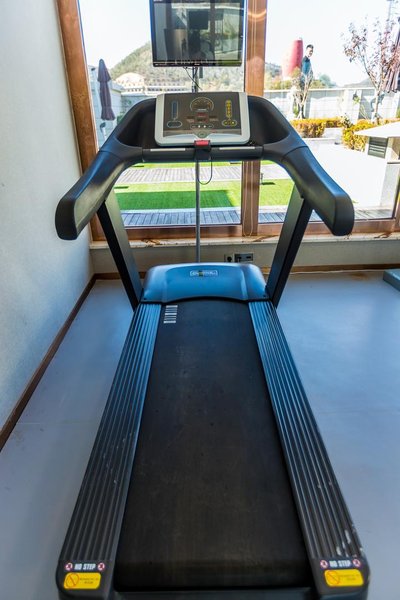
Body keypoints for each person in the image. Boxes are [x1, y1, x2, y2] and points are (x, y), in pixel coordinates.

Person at [299, 44, 314, 117]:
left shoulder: (308, 60)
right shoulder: (305, 60)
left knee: (303, 99)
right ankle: (300, 114)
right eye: (309, 51)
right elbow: (304, 72)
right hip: (303, 83)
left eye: (312, 51)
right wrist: (305, 83)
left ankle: (301, 114)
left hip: (305, 83)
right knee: (301, 99)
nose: (311, 52)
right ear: (306, 50)